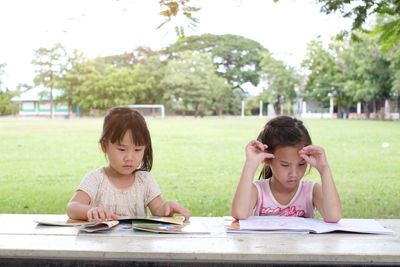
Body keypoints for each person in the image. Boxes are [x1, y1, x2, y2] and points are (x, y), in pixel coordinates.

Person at [67, 106, 190, 222]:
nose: (129, 158)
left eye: (137, 150)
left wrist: (166, 208)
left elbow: (158, 210)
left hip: (137, 244)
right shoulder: (96, 179)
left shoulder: (145, 180)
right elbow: (72, 207)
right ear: (104, 146)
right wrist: (90, 210)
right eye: (121, 149)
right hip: (103, 243)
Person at [231, 116, 342, 223]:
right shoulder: (258, 191)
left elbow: (333, 216)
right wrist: (250, 165)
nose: (294, 174)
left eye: (301, 164)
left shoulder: (311, 191)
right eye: (285, 165)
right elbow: (239, 214)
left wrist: (324, 169)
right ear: (267, 159)